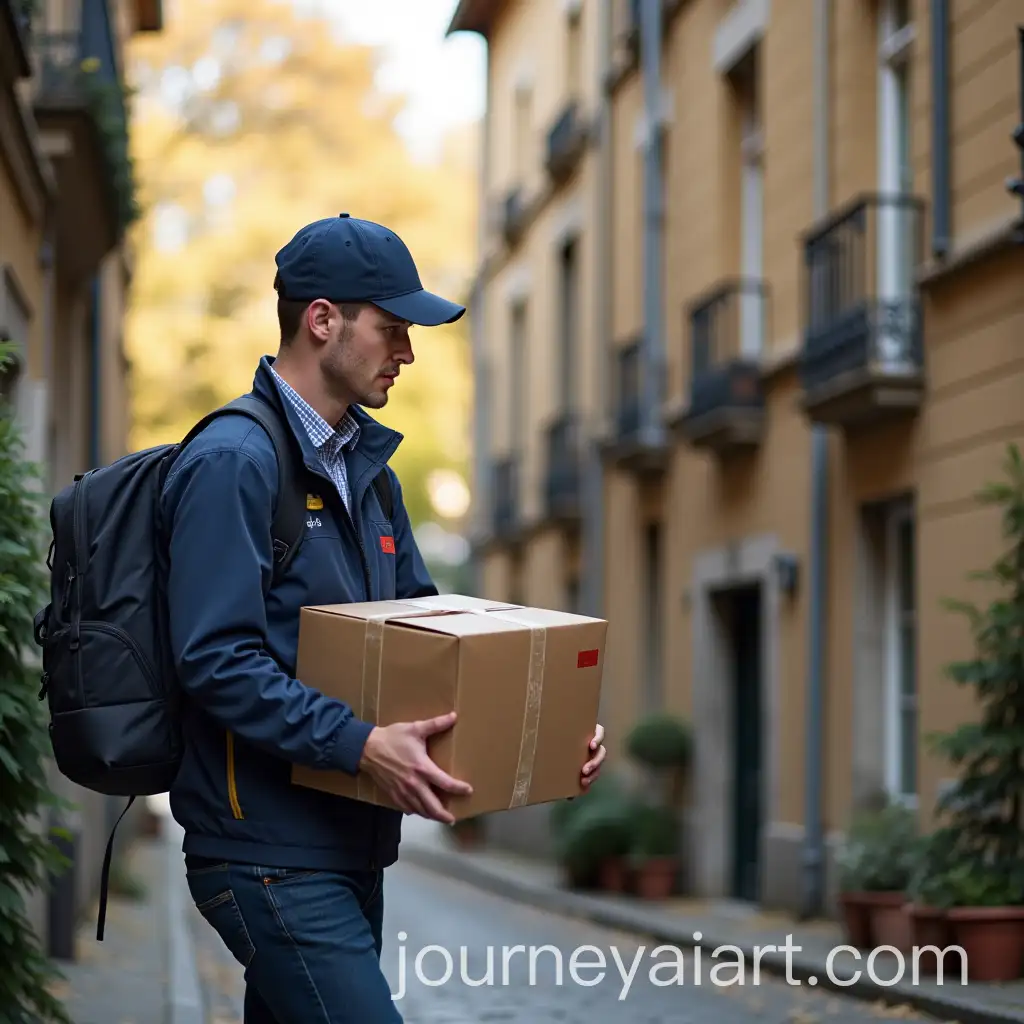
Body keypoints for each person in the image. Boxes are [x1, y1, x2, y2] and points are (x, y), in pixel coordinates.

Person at [160, 213, 607, 1023]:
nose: (406, 353)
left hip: (347, 846)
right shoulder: (235, 462)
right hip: (264, 851)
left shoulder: (371, 475)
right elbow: (216, 660)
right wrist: (362, 744)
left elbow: (431, 647)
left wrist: (543, 738)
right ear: (323, 320)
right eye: (393, 330)